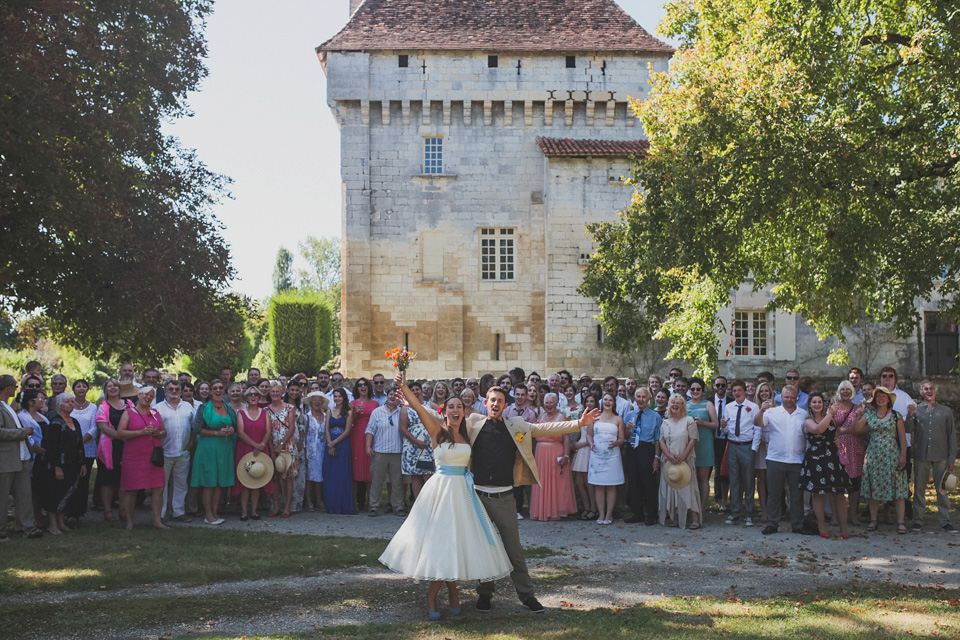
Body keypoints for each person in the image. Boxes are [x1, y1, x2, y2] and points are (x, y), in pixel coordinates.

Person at [448, 381, 599, 613]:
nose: (495, 404)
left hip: (505, 498)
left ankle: (527, 596)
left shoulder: (516, 425)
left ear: (505, 405)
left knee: (514, 551)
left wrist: (579, 423)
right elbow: (445, 415)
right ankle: (485, 593)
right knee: (485, 548)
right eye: (492, 400)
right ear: (485, 403)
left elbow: (547, 429)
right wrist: (410, 400)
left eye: (500, 400)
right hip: (477, 498)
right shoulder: (473, 423)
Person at [384, 378, 511, 621]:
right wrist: (403, 385)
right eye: (451, 407)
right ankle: (434, 596)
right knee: (440, 543)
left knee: (457, 544)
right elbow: (419, 408)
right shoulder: (437, 432)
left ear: (464, 412)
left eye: (459, 407)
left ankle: (453, 590)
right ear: (445, 411)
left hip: (462, 494)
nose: (455, 410)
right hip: (440, 493)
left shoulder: (468, 436)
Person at [757, 385, 810, 536]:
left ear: (796, 398)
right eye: (786, 397)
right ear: (781, 398)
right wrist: (761, 410)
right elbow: (758, 423)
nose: (789, 400)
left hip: (797, 460)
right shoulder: (772, 412)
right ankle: (772, 524)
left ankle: (797, 524)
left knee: (796, 494)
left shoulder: (804, 414)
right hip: (775, 458)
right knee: (774, 494)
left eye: (792, 397)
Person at [857, 386, 909, 534]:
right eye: (878, 396)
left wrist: (903, 455)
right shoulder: (870, 415)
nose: (880, 398)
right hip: (874, 456)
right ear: (874, 399)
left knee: (897, 489)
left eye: (883, 396)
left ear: (888, 399)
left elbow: (902, 438)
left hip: (891, 455)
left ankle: (900, 522)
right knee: (873, 489)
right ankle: (873, 520)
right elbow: (856, 429)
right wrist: (857, 416)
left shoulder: (895, 416)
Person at [801, 392, 853, 538]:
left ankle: (844, 528)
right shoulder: (808, 421)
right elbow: (819, 429)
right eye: (814, 402)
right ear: (810, 405)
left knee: (839, 493)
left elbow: (834, 431)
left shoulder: (830, 418)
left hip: (832, 457)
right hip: (816, 458)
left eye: (819, 402)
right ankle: (822, 526)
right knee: (818, 492)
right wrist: (830, 413)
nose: (817, 404)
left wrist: (837, 439)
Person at [116, 386, 168, 530]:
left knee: (158, 488)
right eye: (145, 394)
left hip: (153, 457)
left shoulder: (155, 413)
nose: (148, 397)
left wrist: (159, 433)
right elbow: (120, 434)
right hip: (134, 457)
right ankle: (129, 522)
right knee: (131, 489)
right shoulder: (128, 413)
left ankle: (157, 521)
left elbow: (164, 431)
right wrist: (141, 432)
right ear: (139, 395)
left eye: (151, 396)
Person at [0, 376, 43, 540]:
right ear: (8, 388)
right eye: (15, 386)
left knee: (25, 494)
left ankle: (28, 527)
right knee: (2, 496)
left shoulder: (9, 406)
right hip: (6, 460)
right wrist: (22, 432)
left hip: (22, 457)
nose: (16, 389)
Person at [911, 381, 957, 533]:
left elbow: (951, 436)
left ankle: (945, 521)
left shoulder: (945, 411)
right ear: (921, 392)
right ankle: (917, 520)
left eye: (931, 389)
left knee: (942, 489)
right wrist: (909, 416)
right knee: (919, 489)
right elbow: (909, 430)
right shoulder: (916, 410)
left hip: (941, 455)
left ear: (935, 392)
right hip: (921, 455)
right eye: (926, 389)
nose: (929, 391)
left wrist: (951, 457)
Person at [40, 393, 88, 533]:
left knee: (65, 493)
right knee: (54, 493)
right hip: (58, 464)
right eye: (67, 402)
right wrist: (57, 467)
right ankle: (53, 524)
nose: (70, 404)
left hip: (73, 463)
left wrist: (83, 463)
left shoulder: (75, 422)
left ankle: (61, 522)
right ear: (59, 404)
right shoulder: (55, 423)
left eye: (72, 402)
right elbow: (52, 448)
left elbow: (80, 444)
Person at [190, 380, 237, 525]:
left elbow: (235, 425)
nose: (218, 391)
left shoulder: (228, 408)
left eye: (220, 388)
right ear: (210, 391)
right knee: (209, 482)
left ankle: (215, 512)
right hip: (208, 448)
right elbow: (197, 429)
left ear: (224, 391)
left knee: (219, 483)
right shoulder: (203, 408)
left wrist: (231, 430)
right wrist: (216, 433)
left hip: (224, 448)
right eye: (215, 388)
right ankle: (208, 514)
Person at [529, 394, 576, 521]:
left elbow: (566, 439)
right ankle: (543, 510)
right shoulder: (541, 417)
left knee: (557, 482)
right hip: (541, 453)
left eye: (551, 402)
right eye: (546, 402)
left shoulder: (561, 418)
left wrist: (566, 455)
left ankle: (556, 510)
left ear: (556, 403)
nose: (548, 405)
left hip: (556, 451)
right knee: (542, 482)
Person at [658, 393, 702, 529]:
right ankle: (674, 518)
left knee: (688, 488)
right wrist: (669, 456)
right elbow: (661, 441)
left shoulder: (689, 420)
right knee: (672, 488)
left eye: (678, 402)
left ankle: (694, 519)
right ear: (669, 406)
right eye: (672, 402)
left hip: (686, 460)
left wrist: (683, 455)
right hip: (669, 461)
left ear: (683, 405)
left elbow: (693, 439)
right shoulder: (665, 422)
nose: (675, 405)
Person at [720, 380, 759, 527]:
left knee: (748, 480)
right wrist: (723, 427)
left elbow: (757, 429)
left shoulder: (753, 407)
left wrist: (754, 448)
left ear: (744, 391)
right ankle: (735, 511)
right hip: (733, 446)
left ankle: (749, 513)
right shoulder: (729, 407)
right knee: (734, 480)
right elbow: (726, 429)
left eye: (739, 390)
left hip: (747, 445)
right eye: (734, 390)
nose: (736, 393)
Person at [365, 386, 407, 517]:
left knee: (397, 482)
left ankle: (398, 506)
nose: (393, 397)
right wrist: (368, 446)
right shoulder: (377, 412)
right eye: (391, 394)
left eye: (396, 395)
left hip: (397, 451)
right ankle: (373, 506)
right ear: (387, 396)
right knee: (377, 481)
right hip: (380, 451)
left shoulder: (402, 412)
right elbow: (370, 430)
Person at [623, 387, 662, 525]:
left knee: (649, 483)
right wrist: (627, 430)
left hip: (647, 448)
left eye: (643, 397)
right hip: (632, 449)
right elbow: (625, 437)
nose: (640, 399)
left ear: (648, 399)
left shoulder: (655, 416)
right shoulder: (629, 415)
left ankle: (651, 514)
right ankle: (637, 512)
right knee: (633, 482)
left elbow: (658, 439)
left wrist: (656, 458)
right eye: (638, 396)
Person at [234, 386, 273, 520]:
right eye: (250, 394)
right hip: (245, 450)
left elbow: (268, 431)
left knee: (257, 480)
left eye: (256, 394)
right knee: (245, 482)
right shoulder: (241, 413)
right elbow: (240, 432)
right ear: (246, 397)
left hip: (261, 450)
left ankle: (254, 511)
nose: (253, 396)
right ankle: (244, 512)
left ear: (259, 396)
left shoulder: (265, 412)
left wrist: (262, 444)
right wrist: (255, 445)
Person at [586, 392, 625, 525]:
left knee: (611, 486)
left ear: (614, 403)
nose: (607, 402)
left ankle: (609, 514)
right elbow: (589, 435)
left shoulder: (618, 419)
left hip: (612, 456)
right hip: (597, 455)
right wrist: (591, 443)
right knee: (599, 486)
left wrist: (617, 443)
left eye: (610, 400)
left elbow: (621, 438)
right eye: (605, 400)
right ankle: (601, 514)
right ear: (602, 402)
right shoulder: (594, 416)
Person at [832, 380, 865, 526]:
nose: (845, 391)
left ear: (852, 391)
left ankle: (853, 515)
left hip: (855, 448)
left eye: (848, 389)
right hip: (837, 448)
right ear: (839, 391)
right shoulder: (834, 408)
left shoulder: (859, 409)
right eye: (843, 389)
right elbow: (829, 426)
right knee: (835, 484)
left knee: (854, 486)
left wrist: (844, 430)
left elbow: (860, 430)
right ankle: (835, 516)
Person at [686, 378, 718, 514]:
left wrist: (704, 423)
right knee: (689, 478)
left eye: (698, 389)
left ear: (702, 390)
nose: (695, 391)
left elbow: (715, 424)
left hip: (704, 444)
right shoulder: (685, 405)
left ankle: (702, 509)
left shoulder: (708, 404)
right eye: (692, 389)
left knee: (703, 478)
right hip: (689, 445)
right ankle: (690, 508)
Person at [398, 381, 433, 500]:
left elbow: (440, 418)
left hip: (428, 446)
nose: (415, 392)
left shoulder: (430, 405)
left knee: (428, 474)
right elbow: (403, 428)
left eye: (417, 389)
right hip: (412, 446)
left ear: (422, 391)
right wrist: (416, 442)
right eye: (412, 390)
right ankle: (418, 505)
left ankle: (430, 503)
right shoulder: (405, 408)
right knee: (415, 476)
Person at [266, 382, 296, 517]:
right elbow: (267, 431)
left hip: (287, 445)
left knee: (288, 477)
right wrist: (273, 449)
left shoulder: (289, 407)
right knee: (275, 477)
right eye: (272, 392)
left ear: (282, 392)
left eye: (277, 391)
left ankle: (287, 507)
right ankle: (276, 506)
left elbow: (291, 428)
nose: (275, 394)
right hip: (272, 445)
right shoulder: (266, 410)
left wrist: (282, 444)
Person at [323, 388, 354, 514]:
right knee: (330, 475)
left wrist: (334, 443)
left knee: (342, 475)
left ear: (344, 398)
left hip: (342, 444)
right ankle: (331, 504)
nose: (337, 399)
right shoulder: (330, 411)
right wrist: (330, 445)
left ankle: (342, 505)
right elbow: (326, 429)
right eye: (335, 396)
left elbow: (347, 431)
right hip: (330, 444)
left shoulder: (349, 412)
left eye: (339, 396)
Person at [70, 379, 98, 508]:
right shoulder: (68, 405)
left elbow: (94, 427)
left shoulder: (93, 407)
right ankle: (69, 508)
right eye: (78, 386)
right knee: (71, 477)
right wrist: (73, 442)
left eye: (84, 386)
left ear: (88, 389)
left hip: (88, 447)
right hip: (70, 447)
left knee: (84, 479)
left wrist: (81, 441)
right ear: (73, 389)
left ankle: (81, 509)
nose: (81, 388)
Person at [351, 378, 378, 512]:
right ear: (357, 388)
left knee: (370, 470)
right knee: (355, 469)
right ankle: (354, 501)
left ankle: (370, 502)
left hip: (371, 437)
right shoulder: (353, 403)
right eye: (360, 385)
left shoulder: (375, 403)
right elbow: (349, 422)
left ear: (368, 387)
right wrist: (355, 413)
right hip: (357, 436)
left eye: (365, 384)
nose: (363, 387)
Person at [570, 393, 598, 520]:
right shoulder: (583, 415)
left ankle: (594, 509)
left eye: (592, 401)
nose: (589, 404)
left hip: (588, 449)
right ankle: (586, 507)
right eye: (587, 401)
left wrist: (579, 445)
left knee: (589, 482)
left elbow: (594, 437)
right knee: (579, 482)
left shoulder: (598, 417)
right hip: (580, 451)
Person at [752, 381, 776, 525]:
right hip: (760, 447)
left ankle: (774, 509)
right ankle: (764, 509)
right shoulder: (754, 408)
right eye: (761, 391)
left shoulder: (778, 408)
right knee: (761, 479)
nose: (764, 393)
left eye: (767, 391)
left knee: (774, 479)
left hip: (773, 446)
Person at [303, 390, 328, 511]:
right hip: (310, 450)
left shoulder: (327, 416)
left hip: (323, 450)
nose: (317, 402)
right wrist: (304, 451)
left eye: (319, 400)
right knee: (309, 477)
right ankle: (309, 502)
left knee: (321, 476)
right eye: (315, 400)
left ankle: (319, 500)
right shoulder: (306, 417)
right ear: (310, 402)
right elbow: (303, 435)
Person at [712, 375, 731, 512]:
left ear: (726, 387)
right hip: (710, 439)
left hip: (725, 440)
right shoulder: (708, 402)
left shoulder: (731, 402)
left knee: (724, 471)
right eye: (718, 385)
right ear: (714, 386)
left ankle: (724, 499)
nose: (720, 388)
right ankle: (715, 500)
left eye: (723, 385)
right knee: (711, 470)